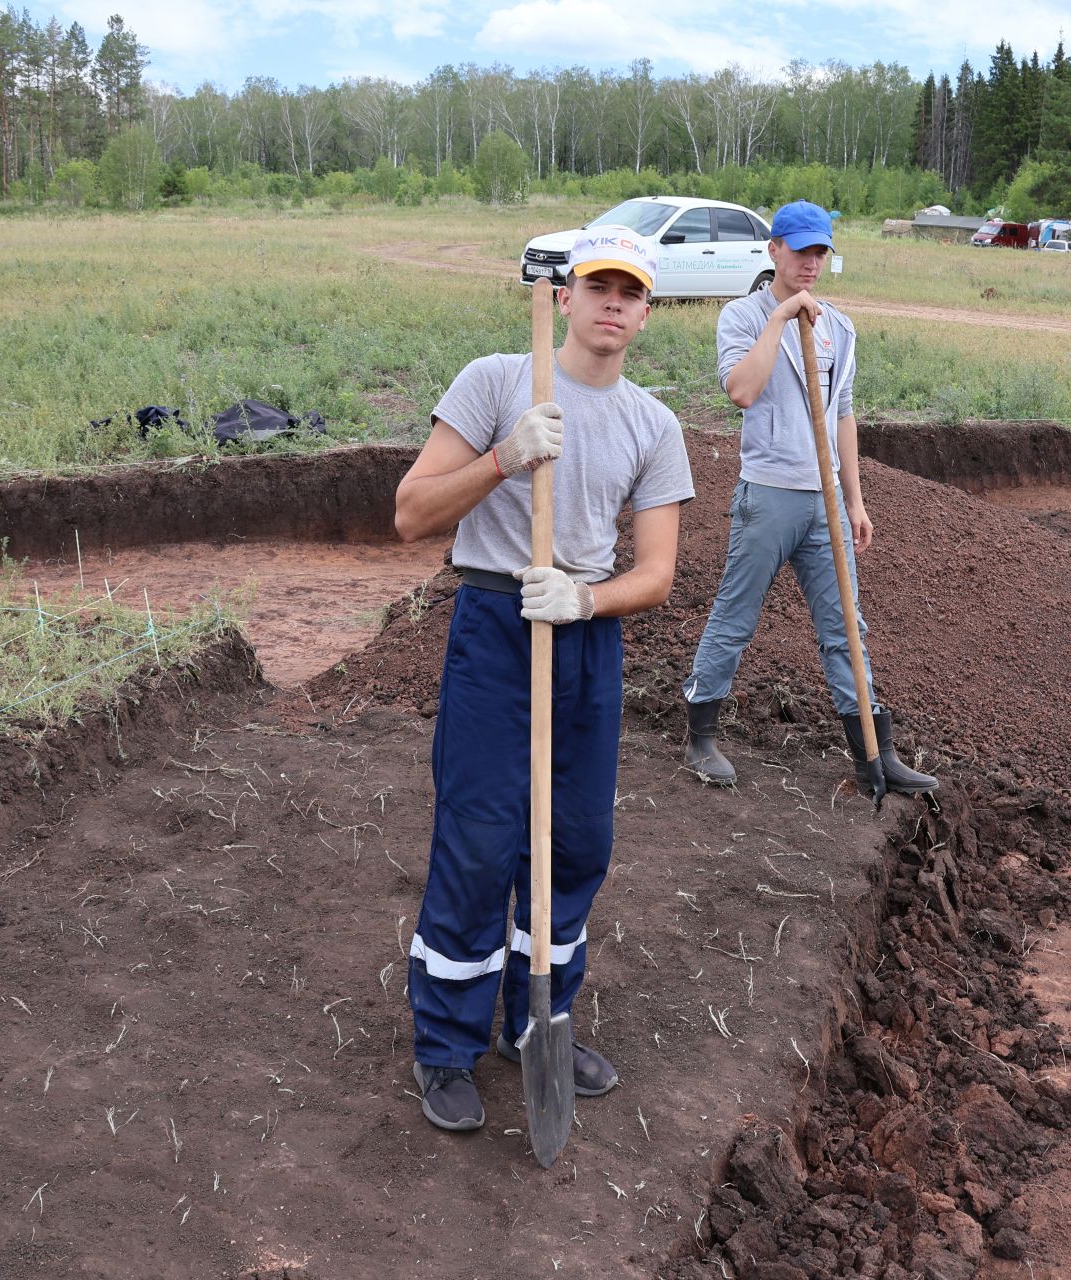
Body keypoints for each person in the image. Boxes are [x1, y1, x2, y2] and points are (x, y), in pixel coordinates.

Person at [392, 227, 693, 1133]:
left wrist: (586, 599)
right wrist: (504, 458)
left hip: (584, 638)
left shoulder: (654, 424)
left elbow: (658, 575)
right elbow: (411, 513)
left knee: (575, 842)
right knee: (482, 837)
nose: (613, 303)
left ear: (646, 312)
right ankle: (446, 1044)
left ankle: (538, 1022)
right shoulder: (495, 383)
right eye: (597, 285)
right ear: (564, 297)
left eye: (630, 292)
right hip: (495, 625)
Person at [680, 200, 937, 797]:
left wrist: (855, 503)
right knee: (735, 616)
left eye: (820, 251)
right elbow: (741, 392)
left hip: (824, 505)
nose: (811, 263)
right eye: (800, 251)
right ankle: (702, 734)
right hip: (768, 496)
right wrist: (780, 319)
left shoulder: (840, 329)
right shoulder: (741, 317)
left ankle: (875, 755)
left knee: (846, 626)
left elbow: (844, 417)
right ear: (774, 251)